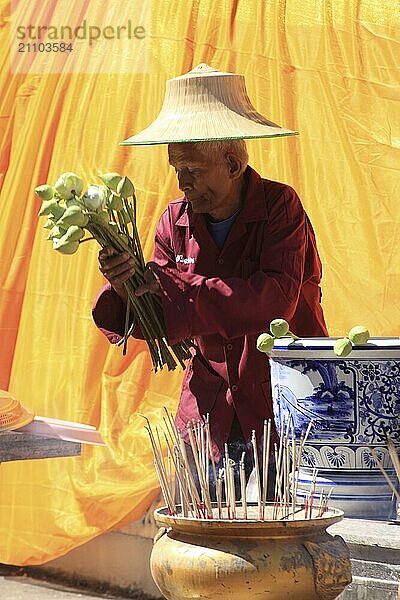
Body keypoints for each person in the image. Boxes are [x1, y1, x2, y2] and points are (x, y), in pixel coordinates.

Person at [92, 65, 328, 499]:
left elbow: (275, 302)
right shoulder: (174, 221)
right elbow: (160, 319)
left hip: (286, 399)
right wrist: (127, 287)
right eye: (176, 169)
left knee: (285, 540)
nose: (181, 183)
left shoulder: (280, 207)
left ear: (233, 164)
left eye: (193, 171)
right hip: (209, 404)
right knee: (205, 535)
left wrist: (176, 288)